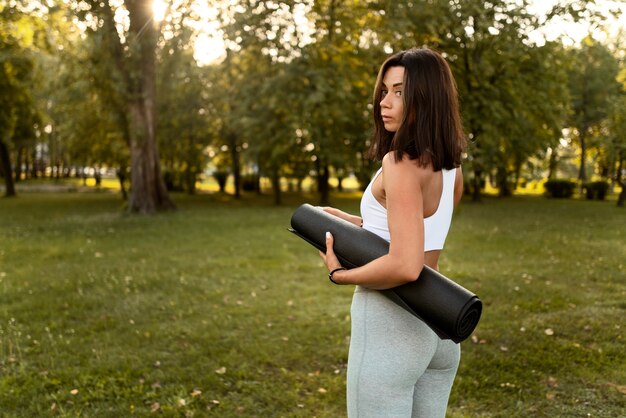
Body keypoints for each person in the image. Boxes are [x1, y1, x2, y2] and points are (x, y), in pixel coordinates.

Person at [319, 47, 466, 417]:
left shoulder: (399, 163)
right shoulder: (451, 167)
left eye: (399, 92)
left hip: (392, 328)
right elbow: (415, 231)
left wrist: (341, 275)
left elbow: (404, 264)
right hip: (437, 329)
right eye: (384, 91)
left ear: (426, 97)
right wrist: (352, 222)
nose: (385, 102)